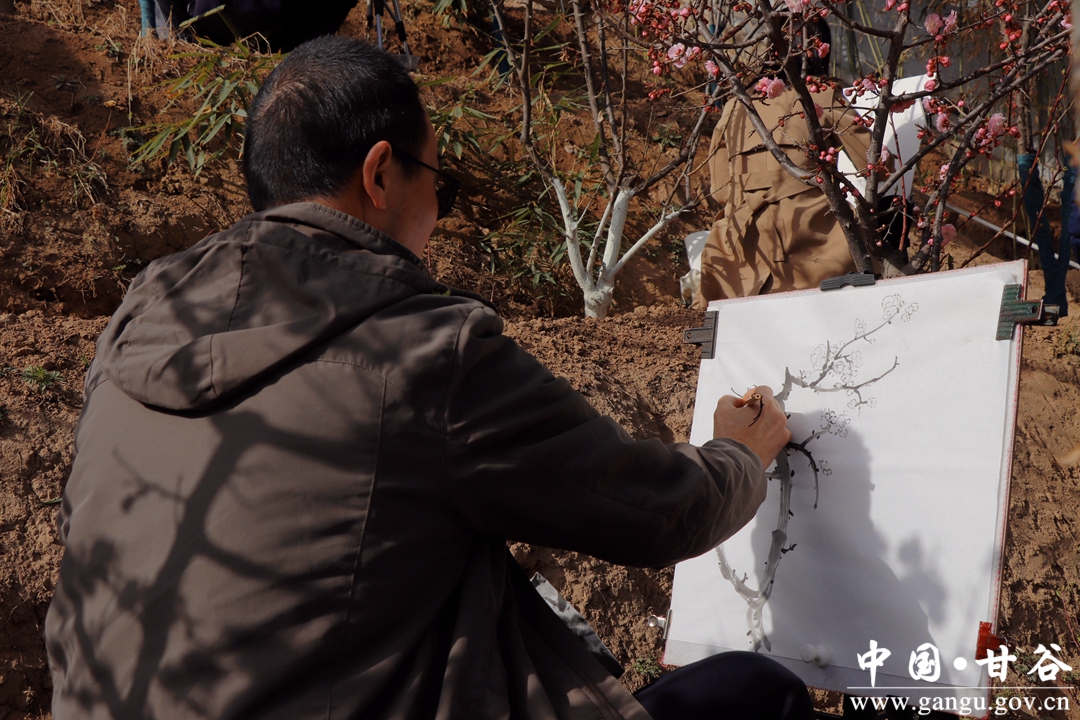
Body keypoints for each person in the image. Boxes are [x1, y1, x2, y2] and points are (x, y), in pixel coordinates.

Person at [45, 37, 806, 720]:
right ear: (380, 174)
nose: (440, 211)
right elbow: (655, 512)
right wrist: (738, 454)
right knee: (755, 691)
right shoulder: (421, 351)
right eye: (441, 183)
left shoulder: (134, 331)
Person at [693, 23, 873, 307]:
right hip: (817, 251)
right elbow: (873, 165)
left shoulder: (734, 107)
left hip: (739, 262)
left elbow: (720, 192)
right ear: (819, 50)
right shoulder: (822, 94)